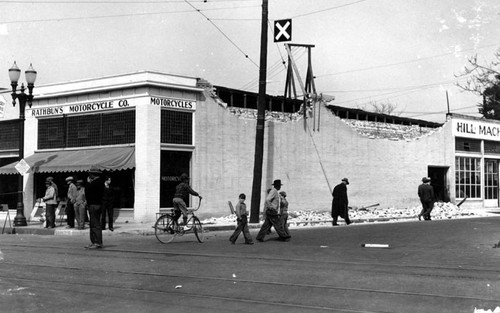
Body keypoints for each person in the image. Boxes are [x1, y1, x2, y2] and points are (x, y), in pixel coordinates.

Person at [85, 169, 104, 249]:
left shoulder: (96, 182)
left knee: (95, 225)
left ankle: (97, 242)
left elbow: (88, 191)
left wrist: (88, 183)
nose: (89, 175)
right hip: (95, 205)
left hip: (94, 205)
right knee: (93, 224)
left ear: (93, 175)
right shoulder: (98, 182)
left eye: (90, 174)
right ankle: (94, 242)